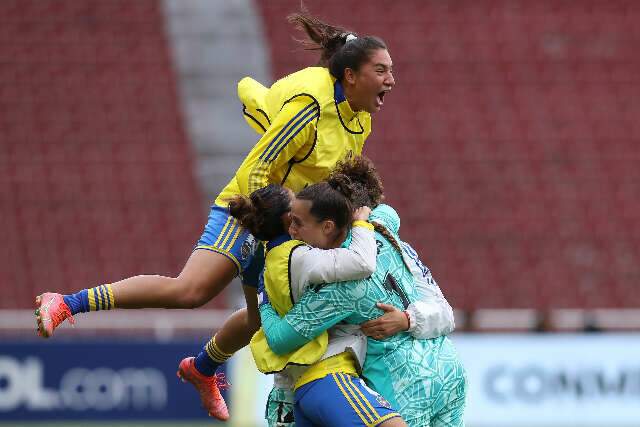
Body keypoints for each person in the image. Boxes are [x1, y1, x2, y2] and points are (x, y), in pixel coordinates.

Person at [34, 9, 395, 420]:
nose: (391, 79)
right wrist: (273, 229)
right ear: (350, 75)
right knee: (190, 291)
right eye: (381, 70)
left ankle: (202, 369)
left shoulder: (360, 118)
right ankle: (66, 302)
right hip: (250, 209)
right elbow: (260, 167)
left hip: (290, 225)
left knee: (266, 317)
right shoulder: (309, 107)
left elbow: (331, 181)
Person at [229, 156, 455, 426]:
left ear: (328, 225)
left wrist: (263, 300)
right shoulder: (379, 234)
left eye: (298, 222)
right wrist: (408, 319)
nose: (294, 231)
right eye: (292, 221)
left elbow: (279, 336)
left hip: (387, 381)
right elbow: (380, 228)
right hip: (437, 372)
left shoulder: (329, 276)